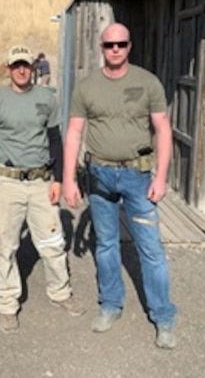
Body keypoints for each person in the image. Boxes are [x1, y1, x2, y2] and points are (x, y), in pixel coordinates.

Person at [63, 23, 177, 349]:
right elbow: (73, 133)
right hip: (99, 176)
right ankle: (110, 304)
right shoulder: (86, 87)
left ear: (129, 46)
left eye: (121, 44)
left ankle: (163, 316)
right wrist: (69, 178)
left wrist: (160, 177)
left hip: (138, 178)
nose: (115, 49)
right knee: (107, 245)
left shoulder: (147, 82)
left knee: (151, 250)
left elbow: (163, 131)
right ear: (102, 47)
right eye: (109, 44)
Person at [0, 44, 85, 334]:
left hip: (40, 182)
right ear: (8, 69)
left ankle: (60, 292)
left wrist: (58, 179)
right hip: (7, 183)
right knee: (5, 246)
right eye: (16, 65)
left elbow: (56, 141)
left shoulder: (46, 99)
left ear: (33, 68)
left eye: (25, 64)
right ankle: (7, 304)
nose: (21, 69)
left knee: (52, 243)